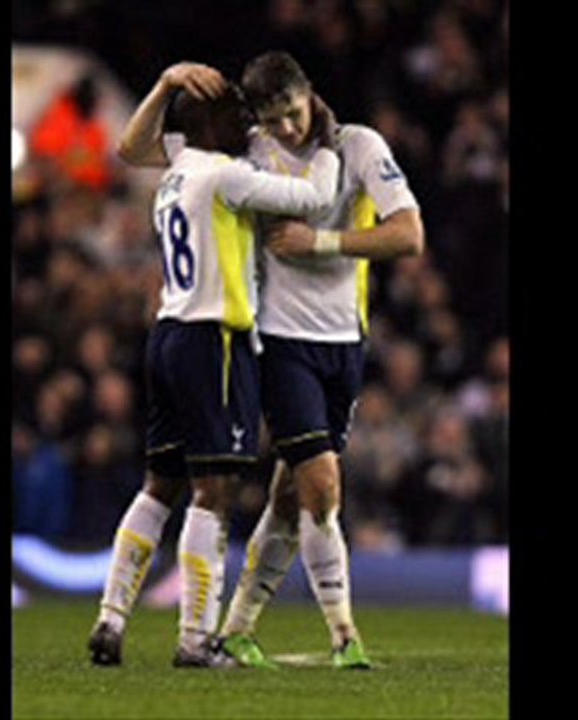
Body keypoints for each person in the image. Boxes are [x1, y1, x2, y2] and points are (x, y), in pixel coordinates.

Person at [87, 65, 342, 668]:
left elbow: (129, 147)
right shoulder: (225, 176)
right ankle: (197, 640)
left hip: (168, 336)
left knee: (159, 485)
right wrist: (326, 139)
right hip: (214, 341)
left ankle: (110, 617)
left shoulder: (177, 174)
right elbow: (315, 198)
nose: (246, 118)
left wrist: (166, 83)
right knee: (215, 490)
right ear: (207, 125)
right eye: (234, 110)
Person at [214, 51, 424, 670]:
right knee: (322, 484)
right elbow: (147, 152)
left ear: (310, 93)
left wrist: (323, 241)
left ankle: (236, 630)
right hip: (280, 339)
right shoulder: (249, 154)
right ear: (257, 117)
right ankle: (345, 636)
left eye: (294, 113)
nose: (287, 129)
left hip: (344, 342)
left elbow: (409, 234)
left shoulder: (358, 146)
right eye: (273, 120)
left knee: (288, 494)